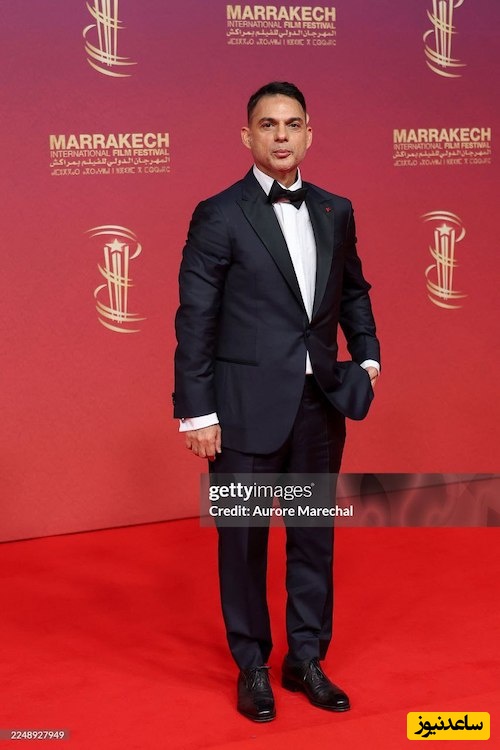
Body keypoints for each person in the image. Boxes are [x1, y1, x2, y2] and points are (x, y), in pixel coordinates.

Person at [173, 81, 380, 722]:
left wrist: (368, 358)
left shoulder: (336, 209)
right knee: (243, 543)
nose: (282, 135)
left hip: (319, 405)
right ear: (248, 136)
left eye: (292, 124)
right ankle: (253, 666)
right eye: (268, 124)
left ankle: (306, 658)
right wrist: (197, 411)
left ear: (309, 133)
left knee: (313, 538)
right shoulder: (219, 213)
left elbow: (353, 289)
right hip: (241, 412)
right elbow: (196, 319)